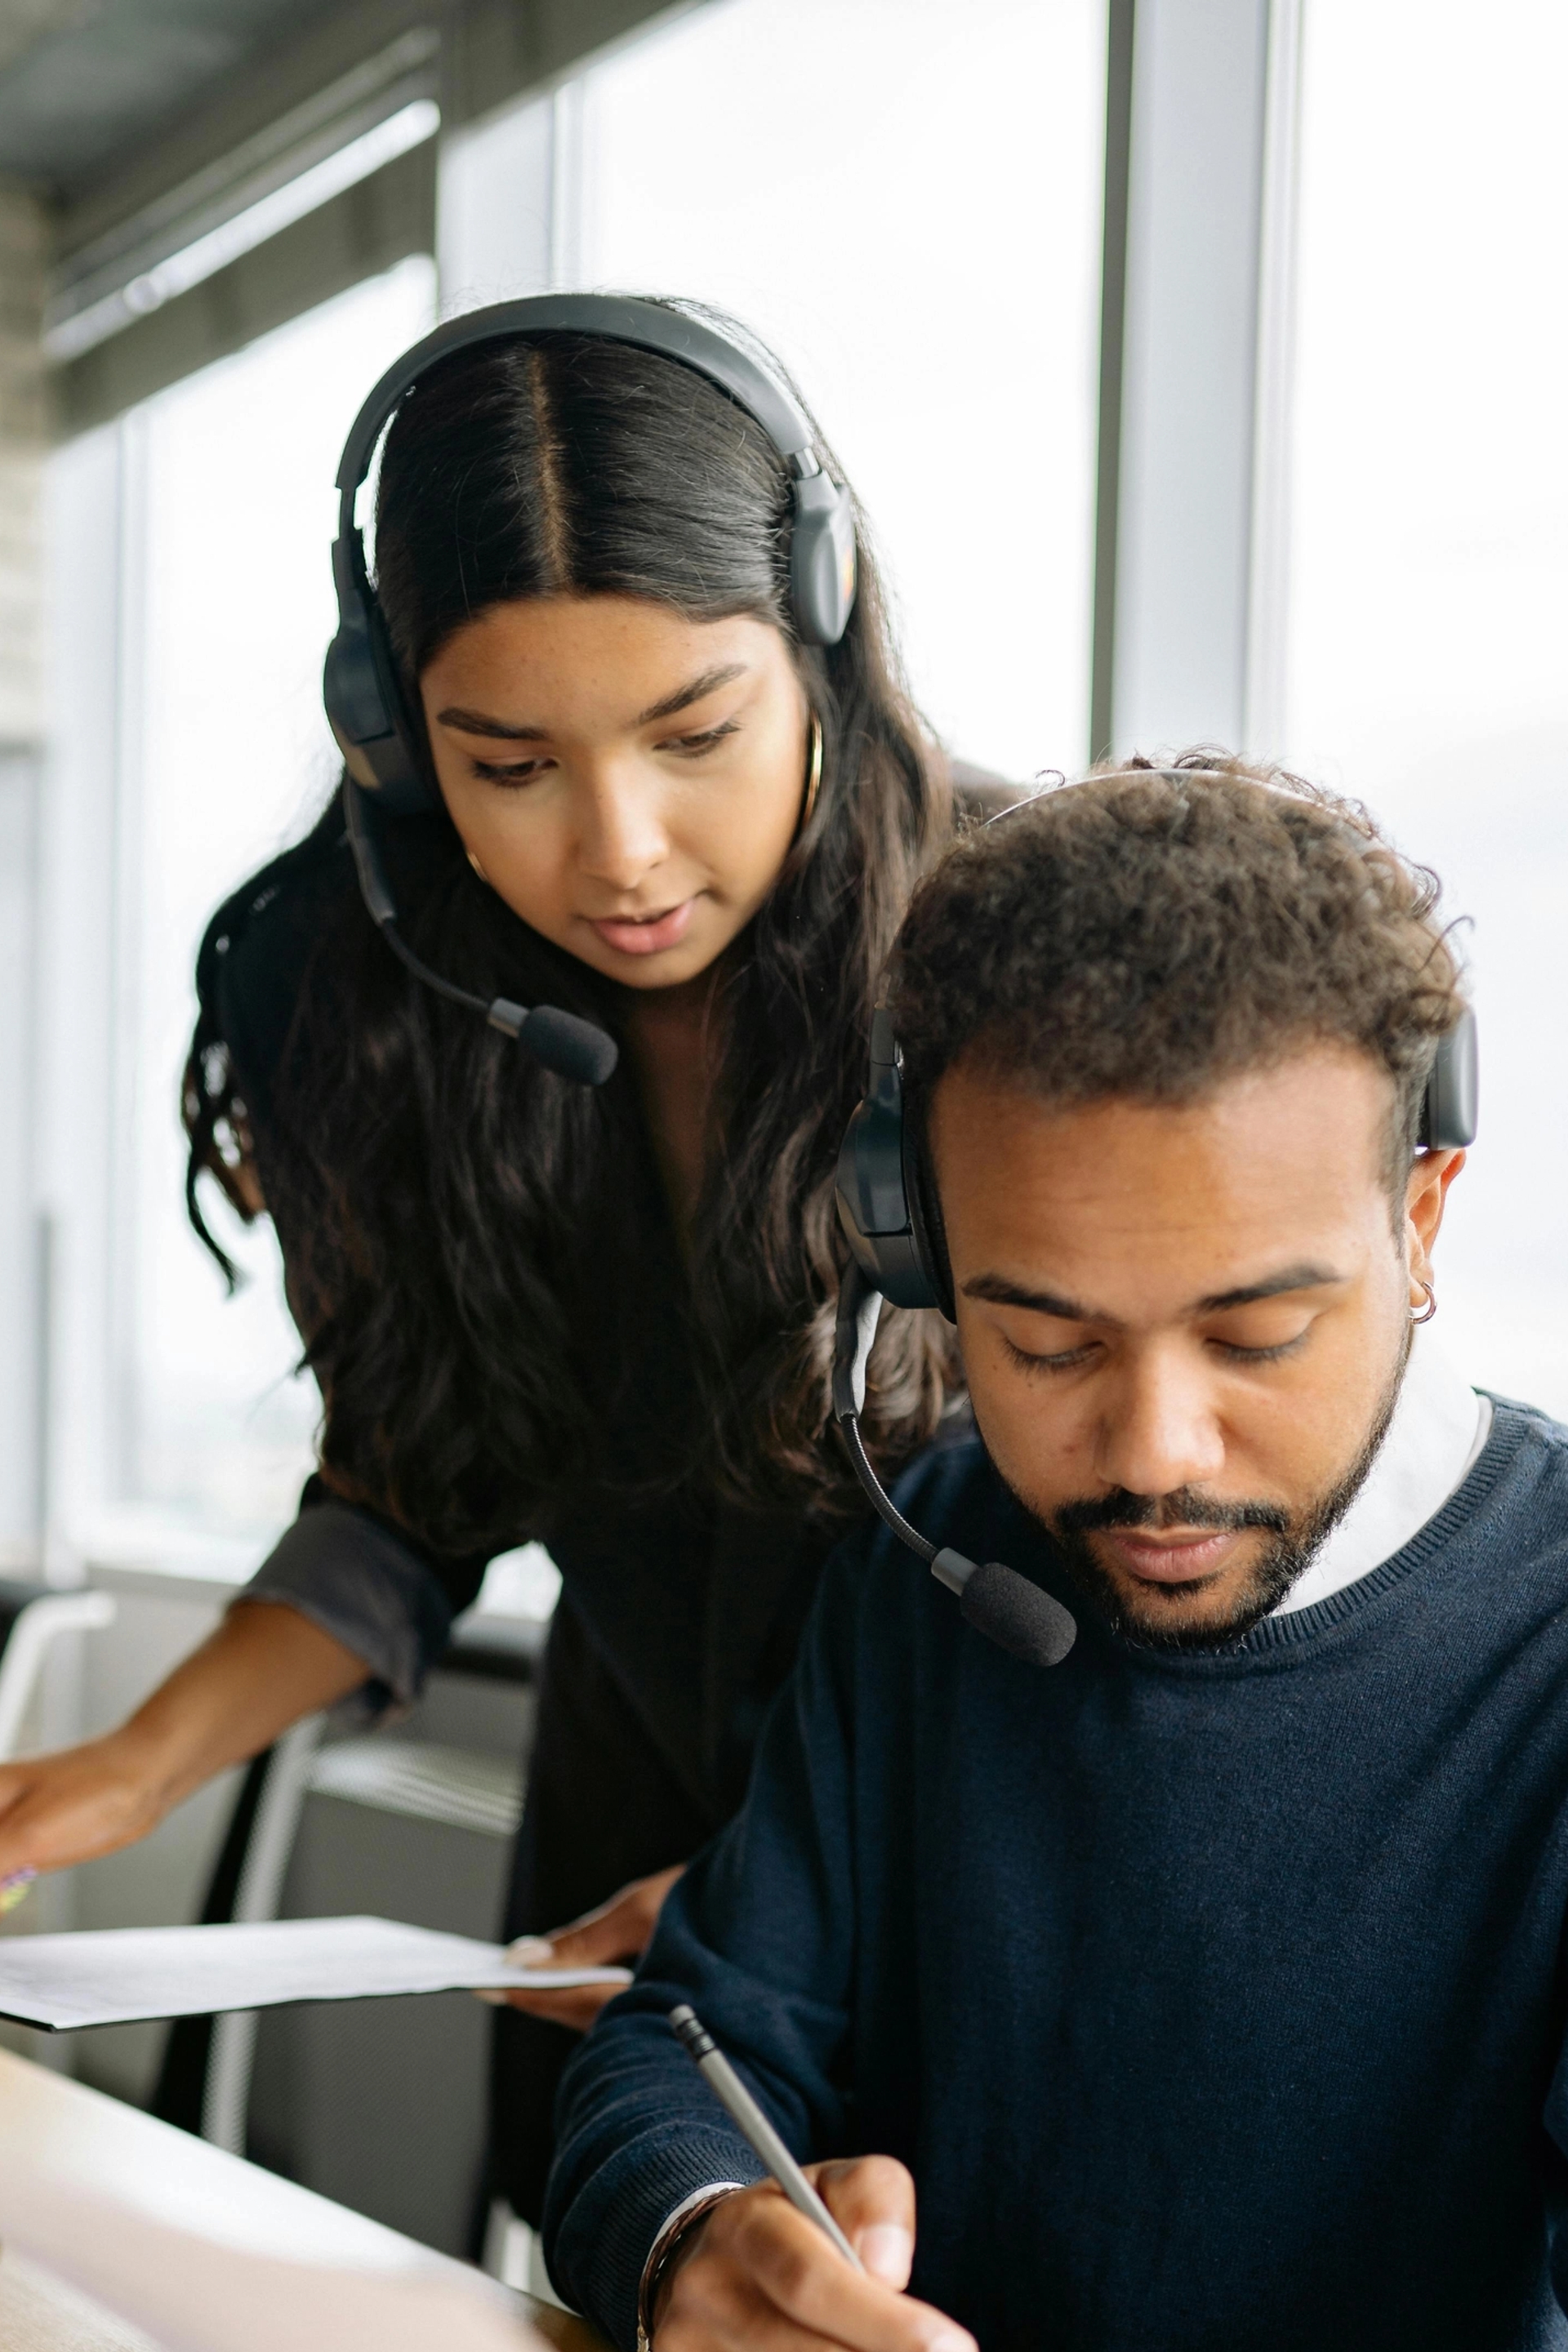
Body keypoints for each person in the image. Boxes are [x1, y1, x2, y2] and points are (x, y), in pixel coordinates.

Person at [0, 300, 982, 2221]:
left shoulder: (1013, 953)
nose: (621, 851)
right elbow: (414, 1485)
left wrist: (807, 1893)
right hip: (616, 1900)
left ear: (824, 630)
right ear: (393, 734)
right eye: (509, 763)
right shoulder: (369, 1004)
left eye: (696, 733)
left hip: (980, 1887)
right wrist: (129, 1766)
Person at [543, 755, 1568, 2352]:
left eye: (1257, 1337)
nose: (1155, 1453)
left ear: (1420, 1223)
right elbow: (687, 2039)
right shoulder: (931, 1561)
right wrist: (698, 2238)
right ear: (925, 1254)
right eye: (1047, 1345)